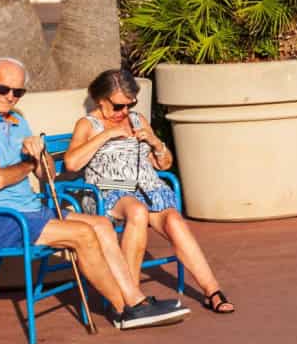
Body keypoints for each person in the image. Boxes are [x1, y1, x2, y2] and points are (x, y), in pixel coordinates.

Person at [0, 59, 187, 331]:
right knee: (83, 235)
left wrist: (41, 156)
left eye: (18, 92)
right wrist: (28, 163)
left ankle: (134, 302)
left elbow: (47, 175)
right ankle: (127, 308)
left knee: (102, 224)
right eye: (3, 89)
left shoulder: (17, 120)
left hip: (28, 210)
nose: (11, 97)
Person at [65, 69, 235, 314]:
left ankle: (212, 291)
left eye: (129, 104)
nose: (124, 112)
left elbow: (164, 164)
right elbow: (71, 163)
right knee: (136, 211)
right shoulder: (88, 124)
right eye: (118, 106)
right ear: (101, 101)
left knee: (174, 221)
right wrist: (107, 135)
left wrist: (155, 143)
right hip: (108, 194)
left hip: (148, 190)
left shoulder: (137, 119)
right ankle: (130, 299)